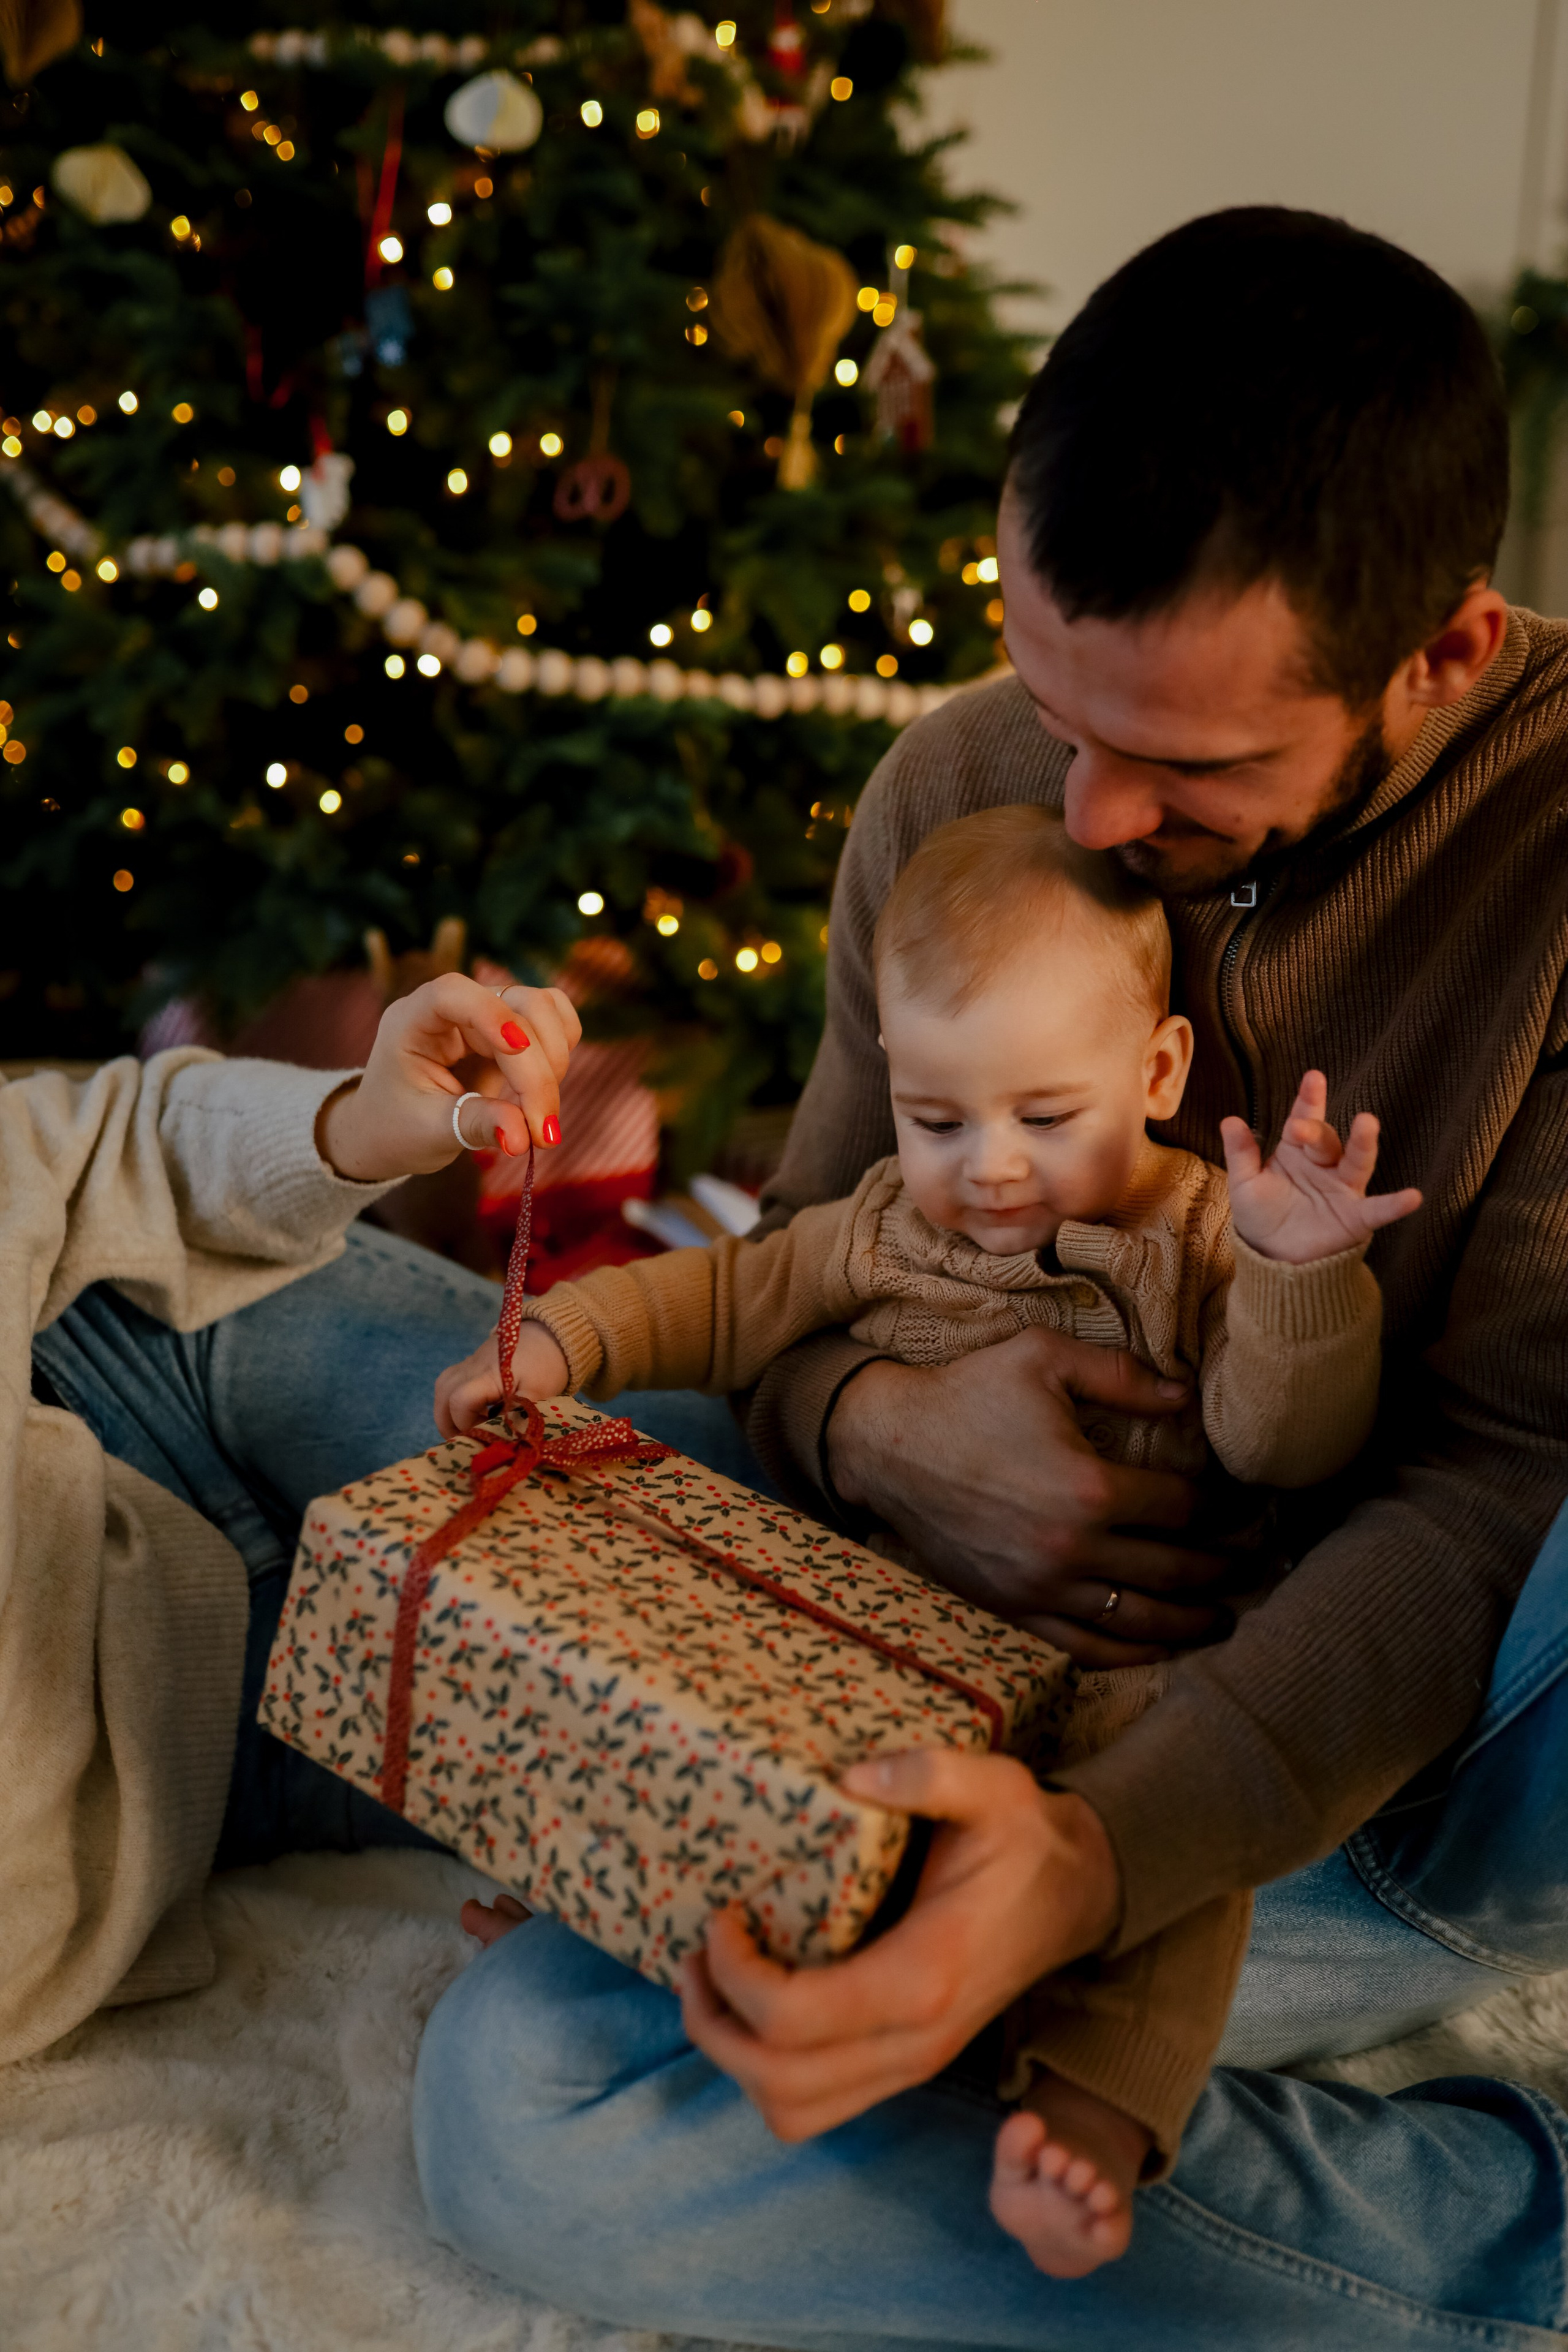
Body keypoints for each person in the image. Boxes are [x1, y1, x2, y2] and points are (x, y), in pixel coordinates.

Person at [412, 208, 1568, 2343]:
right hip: (963, 1652)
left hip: (1409, 1742)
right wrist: (876, 1422)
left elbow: (1498, 1504)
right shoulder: (961, 777)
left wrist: (1101, 1862)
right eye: (1058, 700)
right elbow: (799, 1283)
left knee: (554, 2101)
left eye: (1198, 766)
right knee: (391, 1405)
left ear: (1447, 656)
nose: (1093, 810)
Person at [440, 799, 1421, 2276]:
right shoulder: (880, 1222)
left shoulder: (1202, 1235)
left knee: (1173, 1871)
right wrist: (561, 1340)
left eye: (1043, 1115)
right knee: (724, 1681)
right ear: (890, 1083)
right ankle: (610, 1879)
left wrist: (1300, 1276)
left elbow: (1282, 1442)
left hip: (1123, 1676)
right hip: (884, 1635)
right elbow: (718, 1300)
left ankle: (1089, 2117)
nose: (989, 1169)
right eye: (938, 1116)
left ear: (1153, 1073)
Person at [1, 971, 578, 2064]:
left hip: (136, 1329)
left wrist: (355, 1124)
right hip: (155, 1765)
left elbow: (95, 1142)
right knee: (680, 1797)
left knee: (706, 1473)